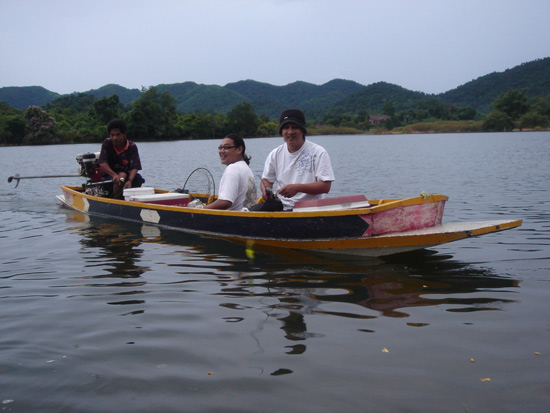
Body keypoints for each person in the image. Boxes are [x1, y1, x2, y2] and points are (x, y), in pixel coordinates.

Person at [252, 109, 335, 211]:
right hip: (281, 206)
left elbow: (325, 186)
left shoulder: (318, 152)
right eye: (286, 128)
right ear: (281, 132)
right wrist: (266, 191)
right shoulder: (276, 153)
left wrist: (297, 188)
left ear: (302, 130)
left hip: (310, 209)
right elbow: (266, 180)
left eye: (295, 127)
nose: (290, 132)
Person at [204, 134, 257, 210]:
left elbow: (226, 202)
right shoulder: (245, 167)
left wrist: (202, 209)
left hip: (233, 219)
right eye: (220, 148)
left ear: (239, 149)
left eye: (226, 147)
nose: (221, 151)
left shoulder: (233, 168)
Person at [98, 119, 144, 198]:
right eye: (112, 135)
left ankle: (133, 199)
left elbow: (134, 167)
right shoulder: (107, 143)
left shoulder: (131, 146)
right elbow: (102, 162)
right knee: (121, 176)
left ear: (124, 134)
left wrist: (129, 180)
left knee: (138, 178)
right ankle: (117, 200)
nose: (114, 138)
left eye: (118, 135)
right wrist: (114, 175)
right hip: (109, 177)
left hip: (126, 176)